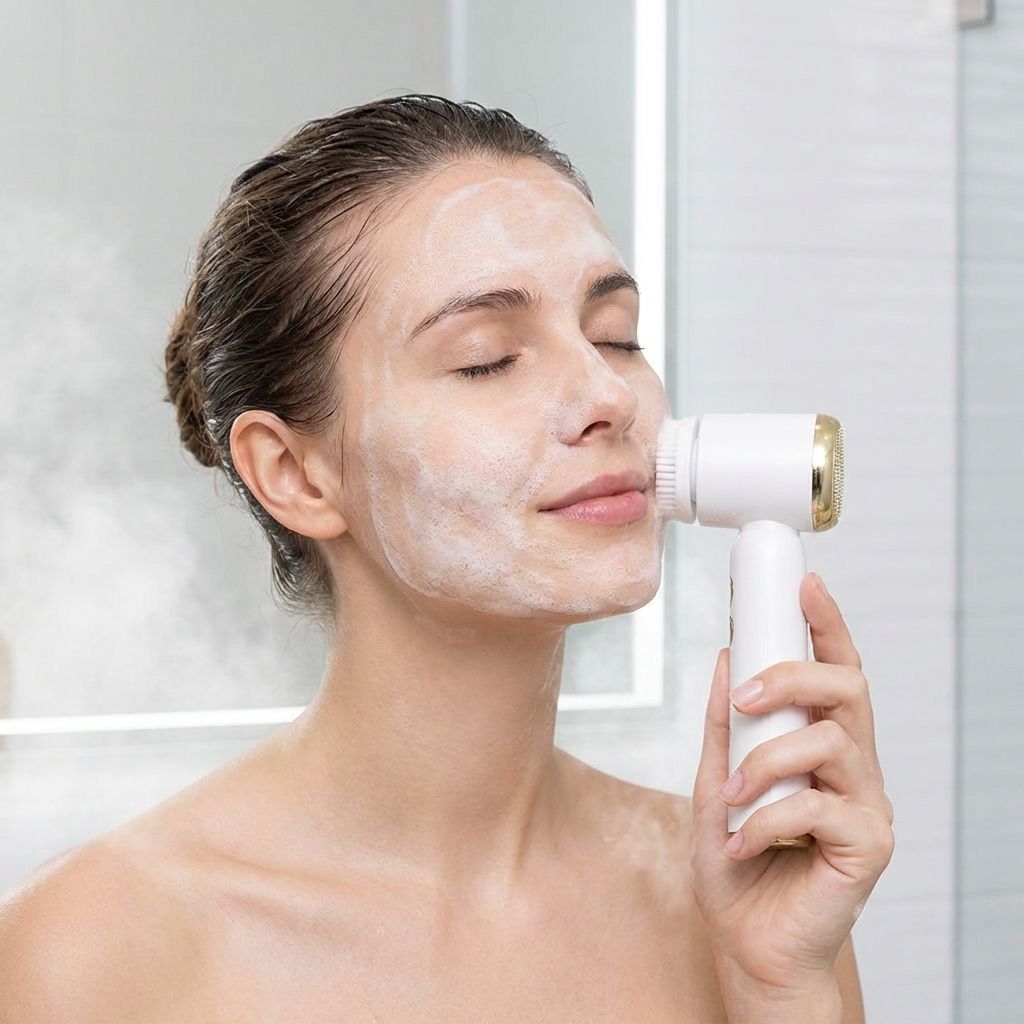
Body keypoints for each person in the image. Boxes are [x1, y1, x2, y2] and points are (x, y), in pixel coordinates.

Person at [0, 95, 885, 1022]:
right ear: (295, 474)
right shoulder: (91, 956)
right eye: (486, 358)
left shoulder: (740, 901)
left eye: (615, 336)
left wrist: (783, 990)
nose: (608, 395)